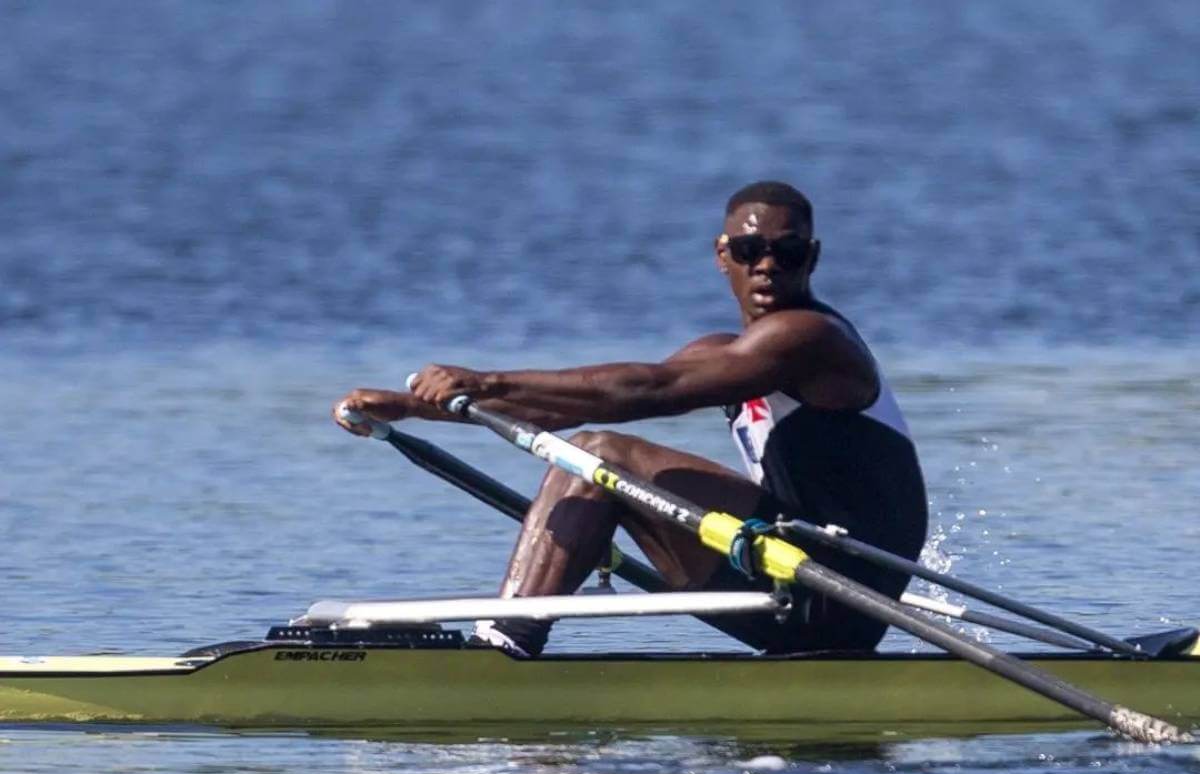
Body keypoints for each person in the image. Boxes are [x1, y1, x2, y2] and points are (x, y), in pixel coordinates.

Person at [334, 181, 927, 657]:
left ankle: (504, 648)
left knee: (599, 453)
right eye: (750, 251)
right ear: (724, 256)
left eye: (787, 252)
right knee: (587, 453)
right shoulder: (727, 352)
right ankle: (508, 643)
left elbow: (653, 389)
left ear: (812, 258)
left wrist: (485, 381)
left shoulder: (811, 339)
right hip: (780, 577)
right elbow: (560, 410)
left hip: (842, 597)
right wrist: (415, 408)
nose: (767, 265)